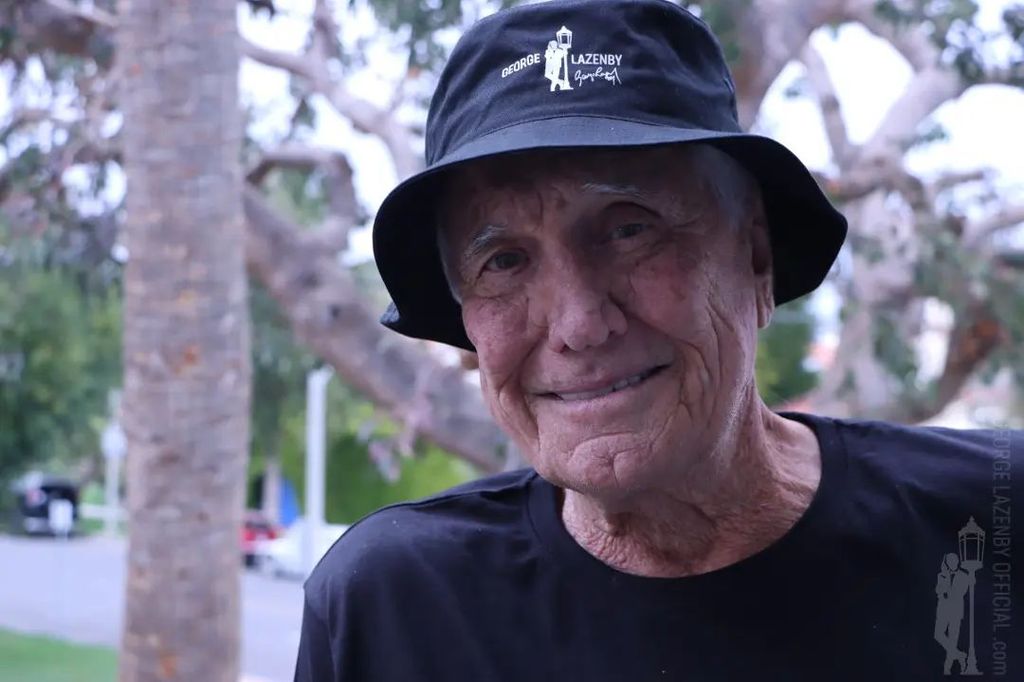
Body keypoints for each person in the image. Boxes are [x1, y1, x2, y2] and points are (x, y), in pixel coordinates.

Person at [295, 1, 1021, 680]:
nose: (579, 325)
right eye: (504, 261)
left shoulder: (990, 523)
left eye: (629, 228)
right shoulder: (395, 607)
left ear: (755, 258)